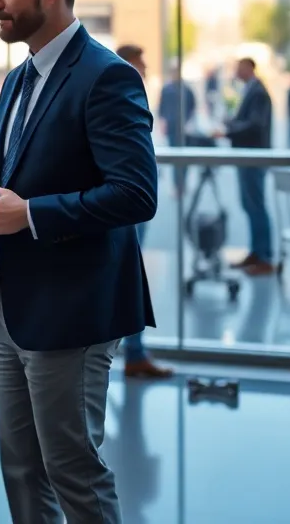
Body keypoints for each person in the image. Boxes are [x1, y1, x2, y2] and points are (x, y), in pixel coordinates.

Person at [0, 0, 157, 524]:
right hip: (10, 305)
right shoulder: (16, 80)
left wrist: (31, 214)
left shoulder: (107, 76)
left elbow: (135, 193)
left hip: (73, 311)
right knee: (21, 468)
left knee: (72, 468)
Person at [114, 44, 174, 380]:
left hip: (131, 200)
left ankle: (134, 351)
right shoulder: (120, 93)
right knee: (128, 277)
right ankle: (133, 353)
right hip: (126, 203)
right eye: (141, 64)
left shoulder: (129, 93)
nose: (147, 71)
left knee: (129, 275)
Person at [216, 57, 274, 275]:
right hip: (247, 156)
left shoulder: (258, 92)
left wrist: (228, 131)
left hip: (253, 157)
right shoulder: (251, 89)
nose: (236, 71)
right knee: (250, 205)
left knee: (256, 206)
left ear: (250, 68)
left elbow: (255, 125)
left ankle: (264, 257)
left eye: (239, 67)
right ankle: (257, 253)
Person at [156, 61, 196, 196]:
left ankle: (182, 184)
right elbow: (161, 107)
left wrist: (188, 122)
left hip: (184, 128)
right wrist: (162, 122)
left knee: (184, 158)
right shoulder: (166, 88)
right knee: (175, 157)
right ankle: (177, 185)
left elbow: (192, 107)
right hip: (172, 127)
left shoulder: (186, 89)